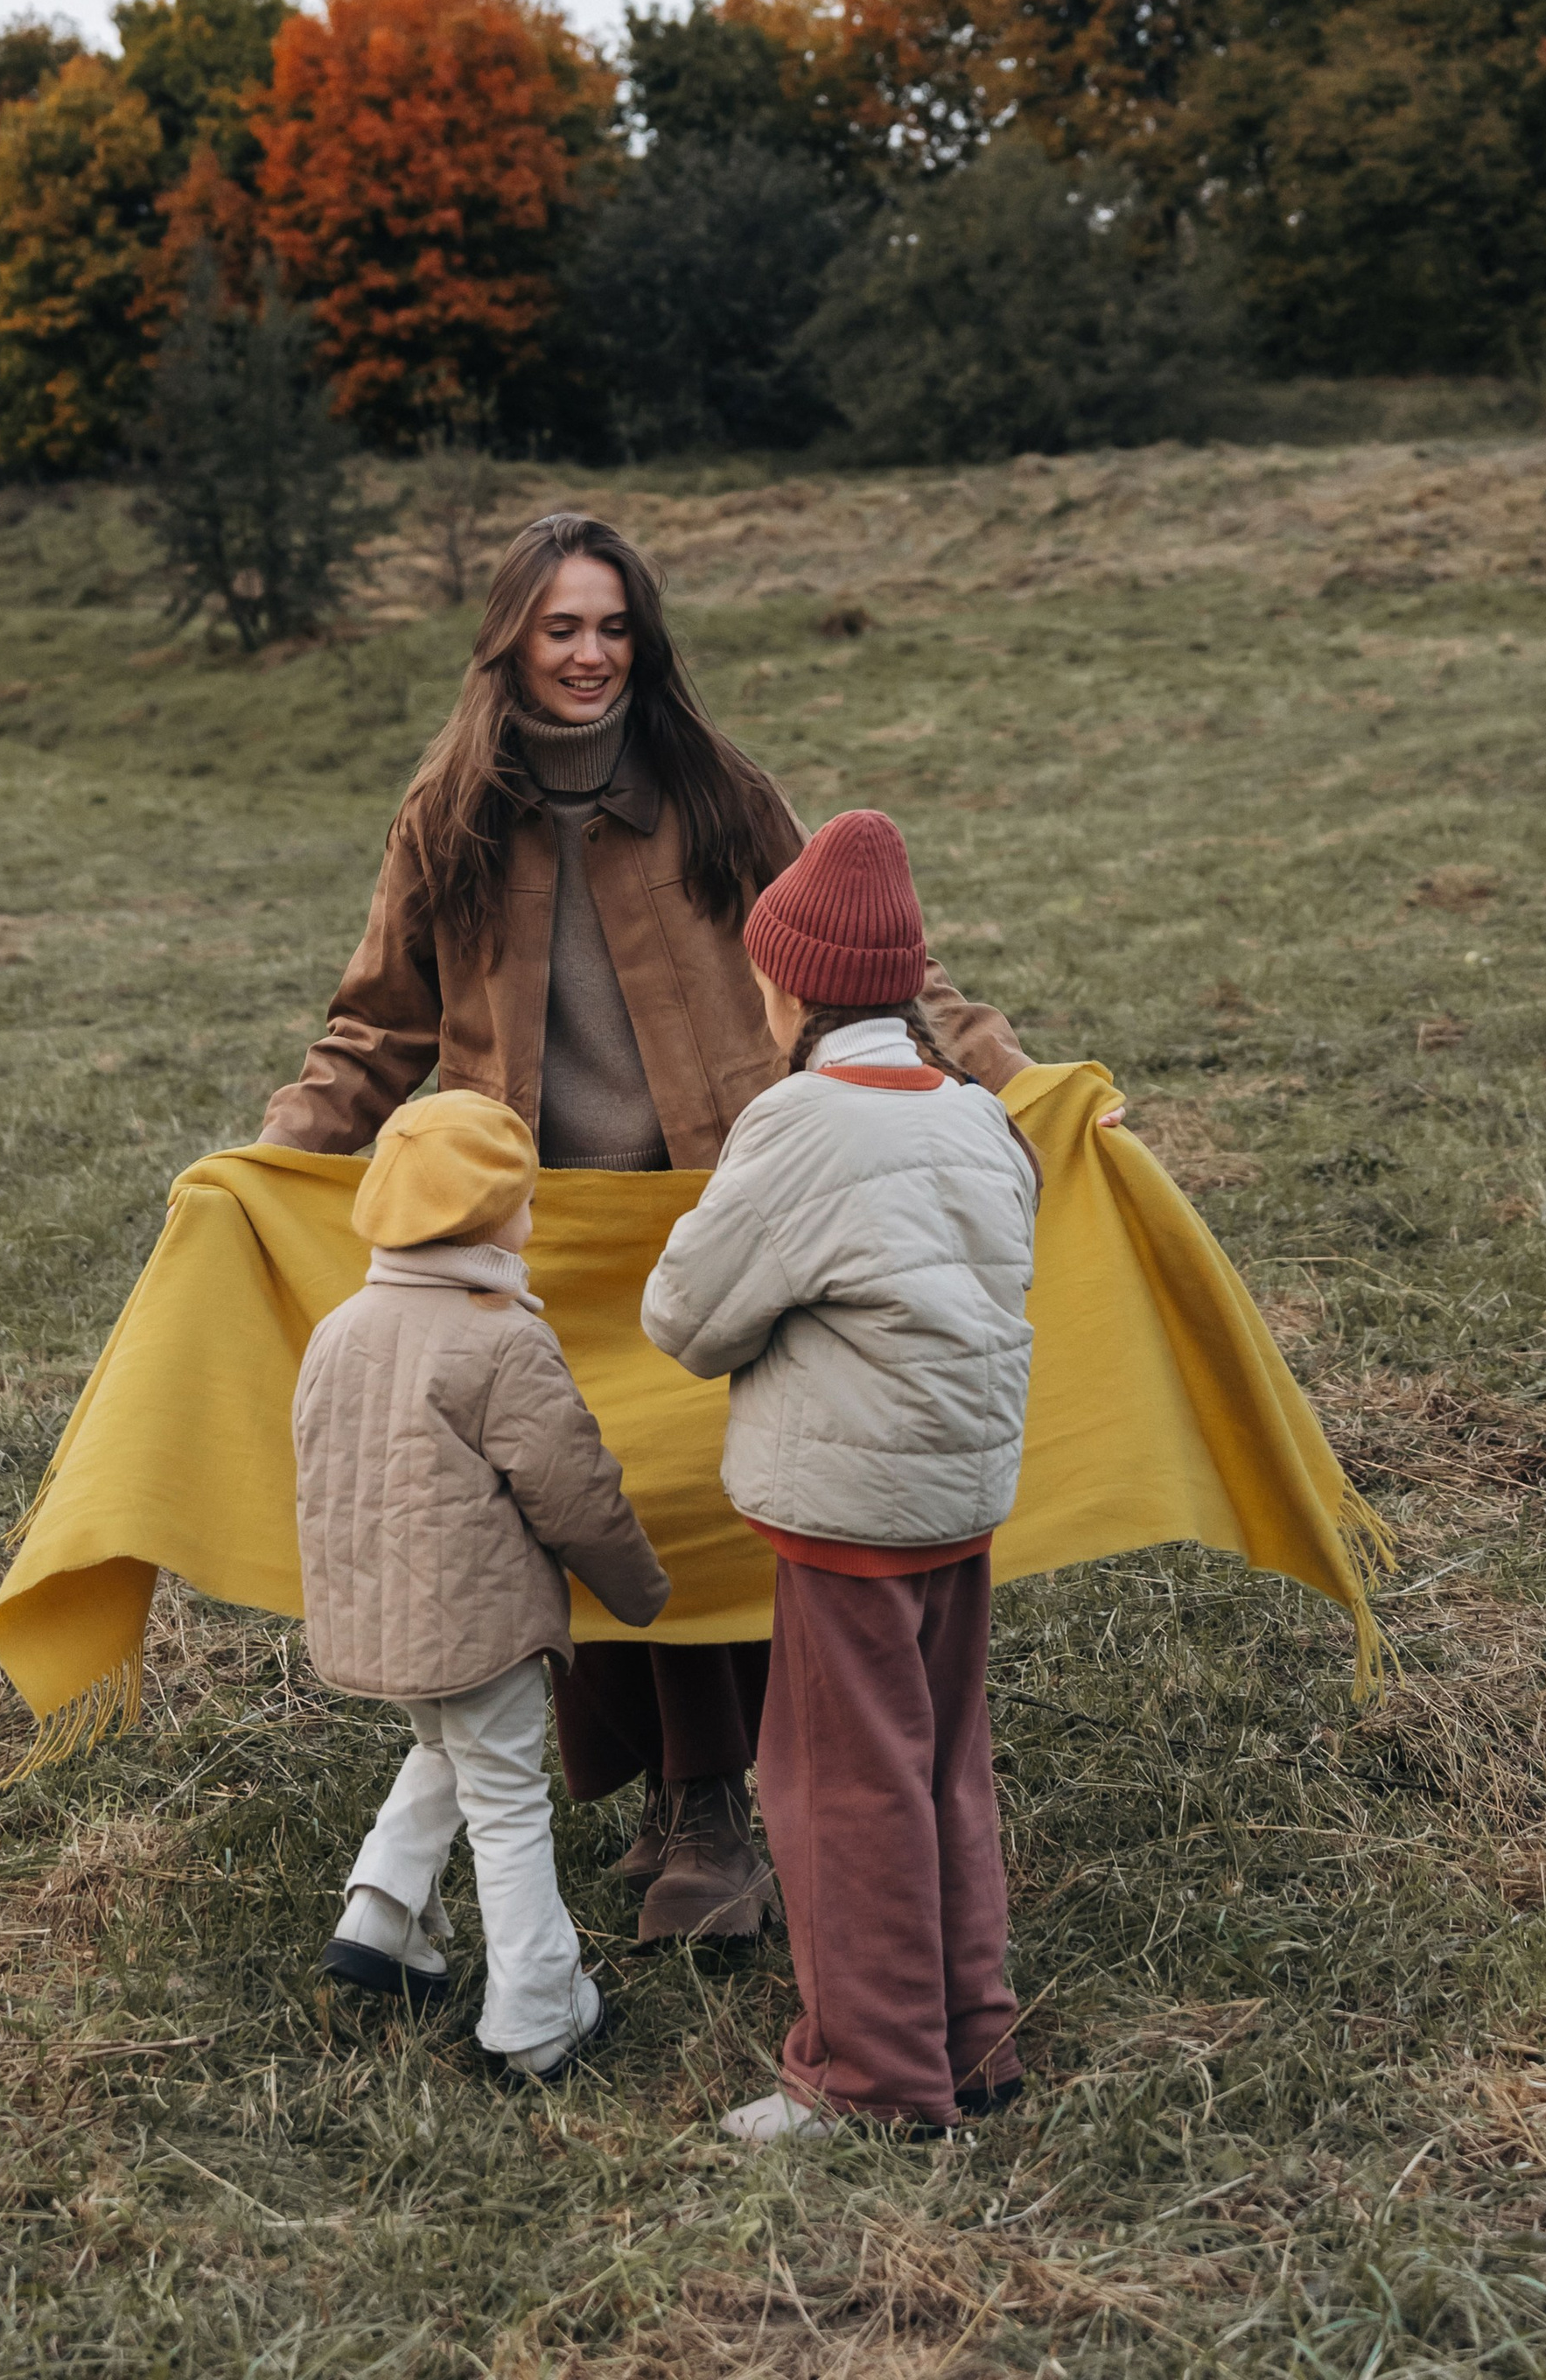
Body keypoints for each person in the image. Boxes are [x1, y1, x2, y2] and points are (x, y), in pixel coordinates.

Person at [262, 508, 1032, 1944]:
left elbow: (873, 968)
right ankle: (657, 1796)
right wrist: (267, 1162)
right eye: (562, 627)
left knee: (702, 1506)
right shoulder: (445, 818)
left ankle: (710, 1810)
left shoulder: (716, 789)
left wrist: (1019, 1084)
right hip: (536, 1233)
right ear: (510, 641)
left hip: (709, 1206)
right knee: (563, 1499)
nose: (591, 654)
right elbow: (373, 1030)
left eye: (614, 627)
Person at [641, 809, 1038, 2140]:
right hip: (961, 1501)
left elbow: (685, 1319)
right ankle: (972, 2040)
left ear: (790, 982)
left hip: (845, 1521)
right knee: (944, 1771)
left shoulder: (799, 1124)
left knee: (838, 1790)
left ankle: (872, 2079)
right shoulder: (980, 1118)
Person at [294, 1089, 669, 2077]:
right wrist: (639, 1590)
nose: (533, 1216)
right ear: (487, 1217)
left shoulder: (339, 1328)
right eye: (525, 1199)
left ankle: (380, 1912)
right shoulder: (501, 1338)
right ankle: (537, 2012)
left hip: (377, 1615)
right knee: (506, 1798)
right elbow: (573, 1486)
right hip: (477, 1620)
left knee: (447, 1746)